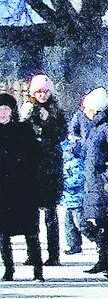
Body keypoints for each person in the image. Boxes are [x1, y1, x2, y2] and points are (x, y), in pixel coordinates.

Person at [20, 74, 67, 266]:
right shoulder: (27, 110)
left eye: (45, 91)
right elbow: (21, 134)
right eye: (38, 91)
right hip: (31, 165)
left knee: (50, 213)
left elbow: (62, 134)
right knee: (29, 214)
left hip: (50, 166)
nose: (42, 95)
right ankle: (33, 253)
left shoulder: (56, 111)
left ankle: (54, 255)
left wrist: (48, 123)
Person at [80, 92, 108, 277]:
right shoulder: (96, 127)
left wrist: (107, 173)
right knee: (99, 223)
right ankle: (102, 260)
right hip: (94, 182)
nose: (85, 112)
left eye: (87, 108)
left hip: (104, 183)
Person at [0, 92, 43, 281]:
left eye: (5, 109)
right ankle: (8, 270)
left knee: (31, 233)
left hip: (23, 188)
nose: (2, 113)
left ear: (12, 111)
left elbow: (36, 156)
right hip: (2, 190)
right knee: (3, 234)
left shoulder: (23, 130)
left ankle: (37, 270)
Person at [60, 138, 85, 255]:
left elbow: (79, 179)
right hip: (69, 199)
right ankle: (74, 245)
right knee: (69, 225)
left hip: (76, 199)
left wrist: (63, 183)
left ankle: (96, 238)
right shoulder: (67, 164)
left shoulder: (76, 163)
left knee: (80, 223)